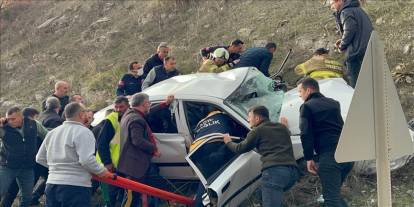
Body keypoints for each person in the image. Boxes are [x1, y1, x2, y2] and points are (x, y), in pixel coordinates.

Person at [36, 102, 112, 207]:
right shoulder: (84, 132)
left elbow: (39, 158)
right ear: (81, 114)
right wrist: (103, 171)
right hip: (75, 186)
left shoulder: (52, 133)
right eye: (85, 112)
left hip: (52, 184)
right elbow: (86, 160)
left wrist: (58, 169)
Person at [223, 106, 299, 207]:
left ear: (257, 118)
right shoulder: (281, 127)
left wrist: (228, 142)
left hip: (274, 173)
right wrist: (285, 126)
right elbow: (279, 137)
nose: (248, 119)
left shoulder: (257, 131)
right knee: (261, 195)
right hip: (292, 173)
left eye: (249, 117)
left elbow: (240, 148)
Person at [295, 77, 353, 206]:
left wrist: (309, 158)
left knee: (330, 200)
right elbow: (341, 127)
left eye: (300, 91)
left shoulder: (306, 107)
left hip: (330, 156)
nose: (299, 95)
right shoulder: (334, 103)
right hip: (348, 155)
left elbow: (305, 133)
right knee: (334, 195)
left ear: (308, 90)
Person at [118, 93, 174, 207]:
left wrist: (165, 104)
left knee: (158, 185)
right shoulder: (136, 119)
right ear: (144, 104)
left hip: (138, 164)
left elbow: (150, 112)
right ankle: (173, 201)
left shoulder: (130, 114)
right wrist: (154, 149)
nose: (150, 105)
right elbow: (137, 140)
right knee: (132, 198)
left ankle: (172, 201)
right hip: (135, 167)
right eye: (149, 103)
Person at [0, 107, 48, 207]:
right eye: (8, 119)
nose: (10, 121)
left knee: (27, 197)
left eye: (13, 119)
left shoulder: (33, 124)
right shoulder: (3, 127)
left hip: (27, 167)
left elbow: (48, 136)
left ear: (21, 117)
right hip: (8, 166)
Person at [190, 107, 235, 207]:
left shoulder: (201, 123)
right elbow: (235, 130)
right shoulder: (223, 116)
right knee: (216, 178)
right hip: (214, 145)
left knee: (207, 180)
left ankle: (200, 202)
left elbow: (195, 135)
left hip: (196, 151)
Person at [330, 0, 373, 88]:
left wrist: (342, 45)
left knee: (355, 83)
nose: (332, 7)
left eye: (332, 4)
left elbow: (350, 30)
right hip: (367, 48)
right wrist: (342, 39)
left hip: (356, 52)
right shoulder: (358, 10)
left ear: (340, 1)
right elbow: (357, 30)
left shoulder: (345, 11)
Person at [96, 96, 130, 207]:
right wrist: (107, 163)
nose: (119, 109)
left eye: (121, 107)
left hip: (119, 163)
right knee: (111, 194)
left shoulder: (126, 117)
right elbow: (101, 143)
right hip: (110, 163)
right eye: (116, 107)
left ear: (128, 106)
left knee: (119, 191)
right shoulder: (112, 119)